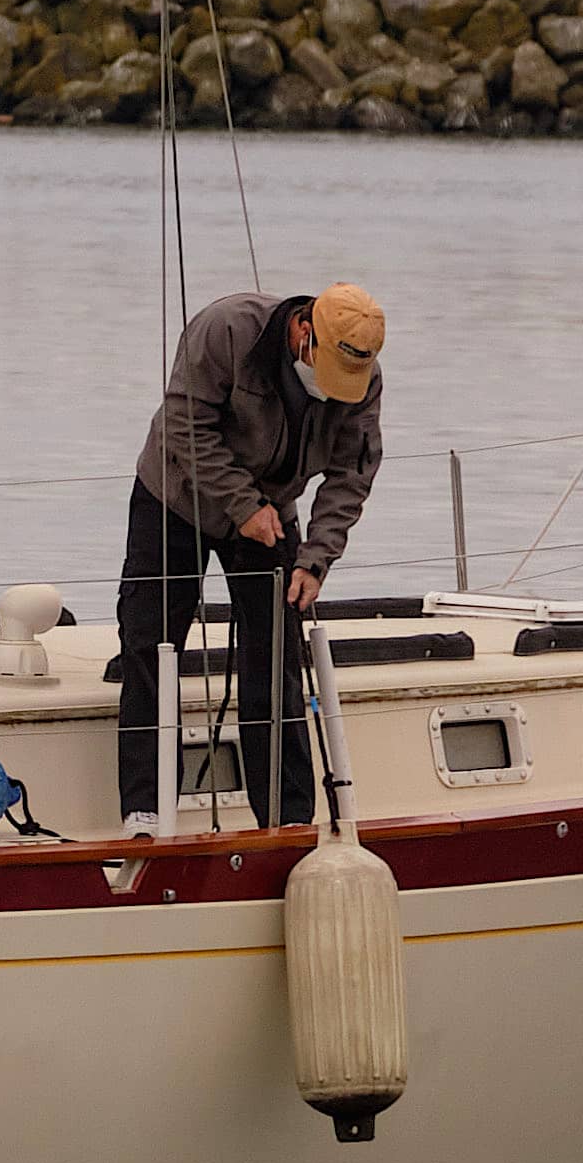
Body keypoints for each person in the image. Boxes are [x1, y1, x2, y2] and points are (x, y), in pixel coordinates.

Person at [118, 283, 385, 832]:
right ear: (304, 330)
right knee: (149, 644)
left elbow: (351, 473)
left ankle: (287, 818)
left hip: (271, 515)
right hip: (176, 496)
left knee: (276, 657)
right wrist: (242, 505)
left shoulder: (365, 380)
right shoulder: (227, 328)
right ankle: (144, 807)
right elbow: (183, 424)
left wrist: (315, 557)